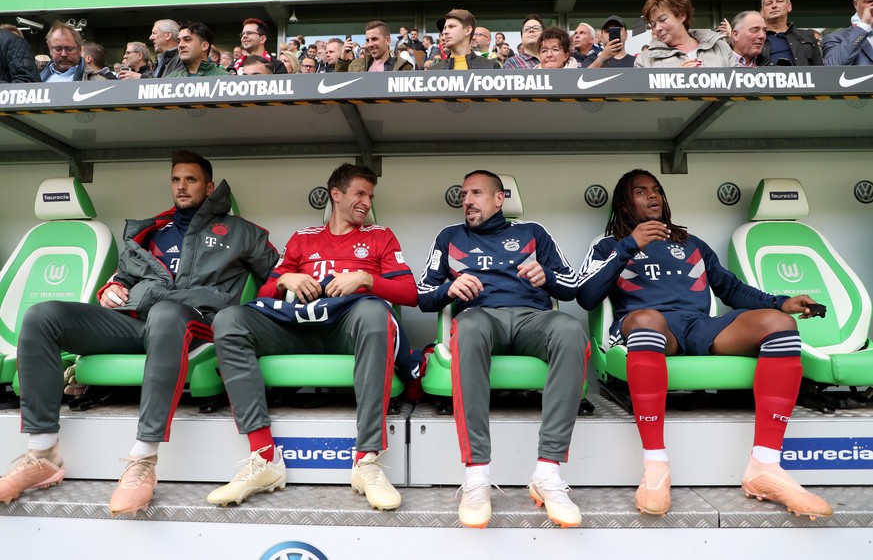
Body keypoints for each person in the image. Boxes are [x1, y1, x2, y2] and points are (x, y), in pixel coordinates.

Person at [0, 151, 278, 516]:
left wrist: (253, 319)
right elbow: (122, 279)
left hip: (196, 323)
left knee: (165, 314)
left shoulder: (241, 232)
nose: (181, 186)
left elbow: (278, 275)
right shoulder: (152, 232)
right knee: (42, 316)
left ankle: (143, 460)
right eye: (176, 179)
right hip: (139, 320)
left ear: (209, 187)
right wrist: (109, 291)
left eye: (191, 180)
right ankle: (43, 452)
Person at [576, 169, 833, 520]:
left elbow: (730, 288)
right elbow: (587, 295)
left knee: (780, 325)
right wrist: (630, 245)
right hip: (649, 325)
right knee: (647, 319)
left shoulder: (690, 243)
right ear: (624, 202)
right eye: (640, 192)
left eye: (657, 191)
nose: (652, 197)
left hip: (700, 326)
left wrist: (780, 302)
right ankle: (655, 465)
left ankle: (765, 466)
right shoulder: (609, 246)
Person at [207, 163, 417, 511]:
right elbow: (267, 289)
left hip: (350, 331)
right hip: (298, 329)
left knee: (374, 311)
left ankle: (366, 461)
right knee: (230, 319)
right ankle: (264, 459)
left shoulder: (380, 236)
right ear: (336, 194)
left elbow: (410, 293)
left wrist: (364, 279)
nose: (366, 202)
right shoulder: (304, 238)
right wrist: (286, 280)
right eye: (360, 193)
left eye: (370, 195)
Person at [417, 170, 586, 529]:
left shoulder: (532, 233)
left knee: (570, 330)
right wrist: (451, 287)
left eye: (476, 193)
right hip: (482, 316)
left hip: (531, 319)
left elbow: (572, 287)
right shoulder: (450, 237)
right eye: (464, 194)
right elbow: (421, 296)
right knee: (471, 326)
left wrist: (547, 276)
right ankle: (477, 478)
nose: (467, 201)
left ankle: (548, 473)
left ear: (499, 199)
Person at [635, 0, 738, 68]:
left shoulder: (720, 48)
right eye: (653, 24)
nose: (657, 28)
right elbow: (641, 93)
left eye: (663, 20)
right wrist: (677, 79)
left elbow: (741, 86)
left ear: (682, 15)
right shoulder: (645, 59)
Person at [760, 0, 822, 66]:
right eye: (769, 3)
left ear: (789, 6)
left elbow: (820, 69)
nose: (774, 6)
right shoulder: (755, 39)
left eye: (779, 1)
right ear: (762, 12)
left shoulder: (808, 36)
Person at [823, 0, 873, 66]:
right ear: (856, 4)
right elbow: (832, 68)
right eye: (869, 1)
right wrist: (864, 26)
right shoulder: (835, 38)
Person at [430, 9, 500, 70]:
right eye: (445, 28)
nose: (445, 32)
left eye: (451, 26)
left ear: (468, 30)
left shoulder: (491, 67)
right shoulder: (434, 70)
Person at [337, 20, 413, 72]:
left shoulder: (403, 67)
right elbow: (339, 86)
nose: (370, 44)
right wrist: (343, 60)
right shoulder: (356, 65)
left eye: (374, 39)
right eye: (367, 40)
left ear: (387, 40)